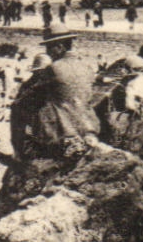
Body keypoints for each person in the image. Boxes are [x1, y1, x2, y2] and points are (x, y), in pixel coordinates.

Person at [7, 32, 101, 163]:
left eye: (49, 48)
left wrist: (19, 101)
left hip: (64, 127)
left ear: (60, 47)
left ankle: (18, 155)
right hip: (89, 123)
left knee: (17, 107)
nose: (48, 52)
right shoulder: (87, 67)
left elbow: (32, 94)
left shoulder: (53, 68)